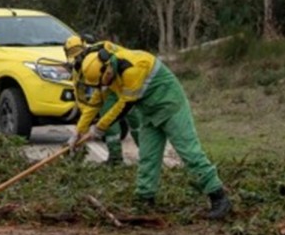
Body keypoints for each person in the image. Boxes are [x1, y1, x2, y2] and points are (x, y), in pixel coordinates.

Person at [72, 43, 232, 219]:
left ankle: (218, 196)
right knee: (148, 156)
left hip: (170, 105)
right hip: (149, 112)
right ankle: (145, 199)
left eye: (104, 80)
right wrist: (79, 131)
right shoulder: (106, 72)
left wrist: (99, 128)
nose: (104, 85)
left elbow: (124, 106)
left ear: (107, 68)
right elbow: (95, 102)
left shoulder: (132, 69)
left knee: (189, 153)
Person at [64, 36, 125, 165]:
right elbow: (82, 100)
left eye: (79, 55)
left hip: (125, 83)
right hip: (107, 90)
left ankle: (146, 157)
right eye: (75, 57)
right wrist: (80, 129)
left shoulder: (104, 48)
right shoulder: (78, 72)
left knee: (136, 122)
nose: (79, 59)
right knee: (109, 122)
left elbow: (126, 56)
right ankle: (116, 158)